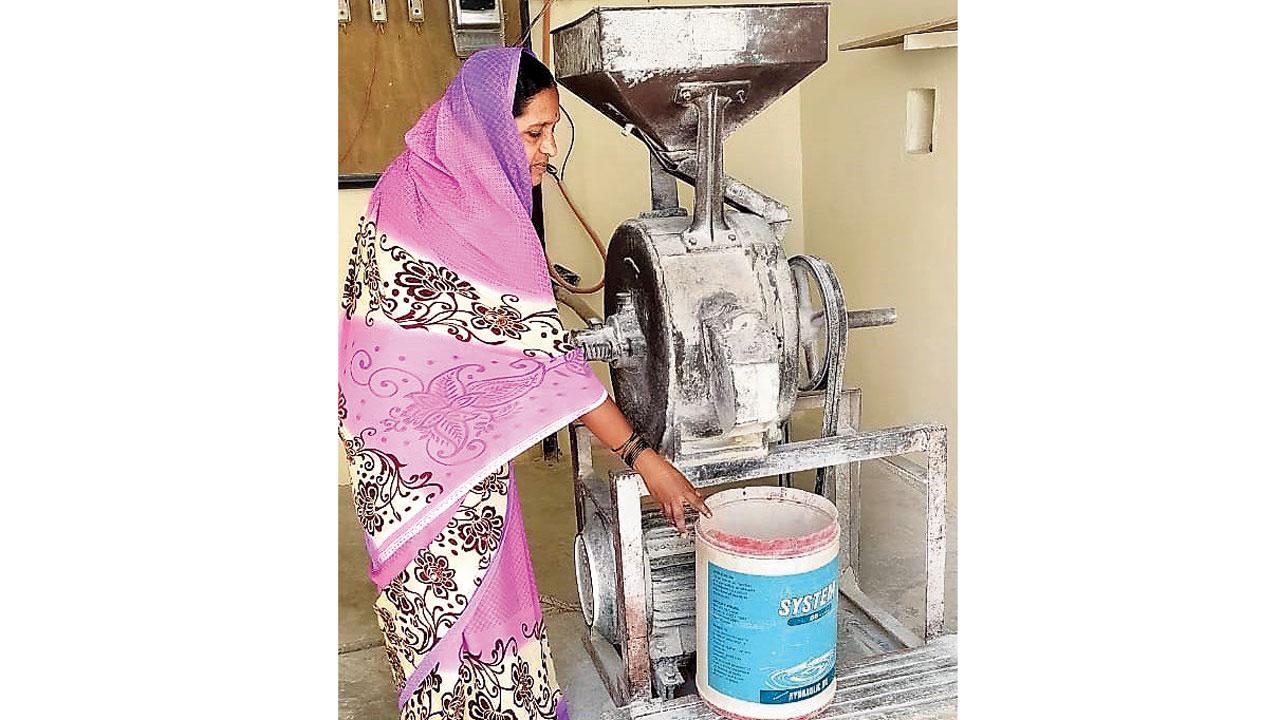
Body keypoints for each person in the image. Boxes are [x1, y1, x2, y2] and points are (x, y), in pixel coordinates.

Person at [339, 47, 710, 720]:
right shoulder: (471, 214)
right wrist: (644, 459)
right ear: (484, 127)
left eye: (553, 131)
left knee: (466, 613)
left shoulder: (407, 182)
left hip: (404, 455)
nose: (548, 150)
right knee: (456, 613)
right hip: (424, 469)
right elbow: (545, 364)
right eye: (534, 133)